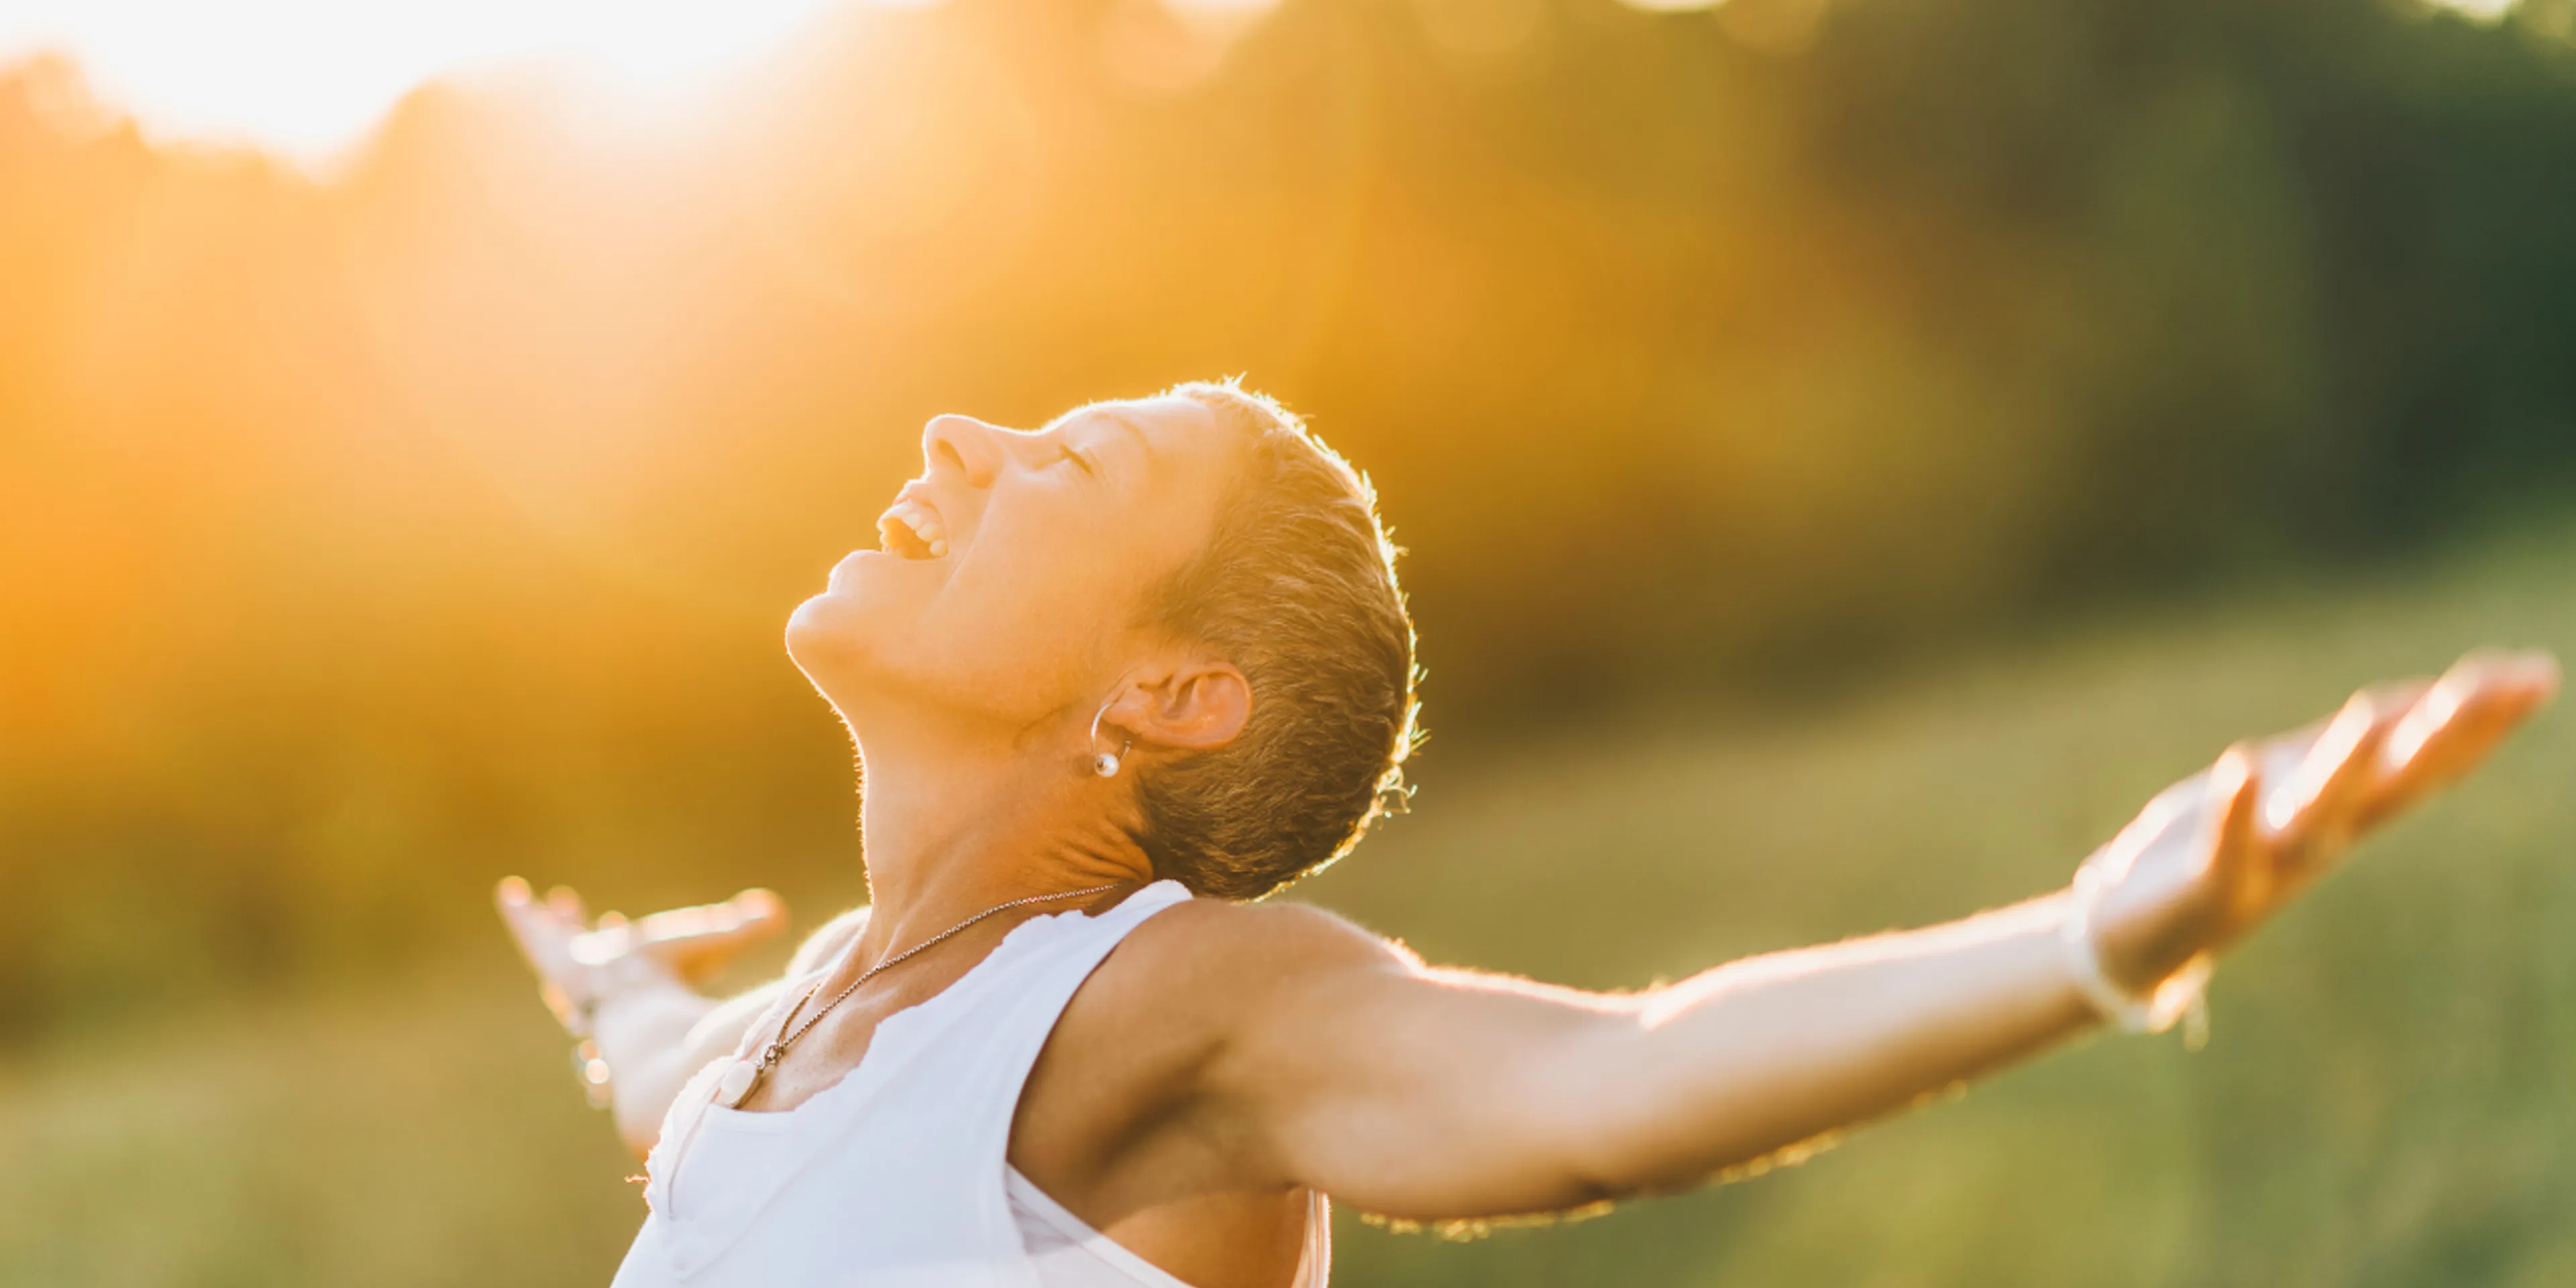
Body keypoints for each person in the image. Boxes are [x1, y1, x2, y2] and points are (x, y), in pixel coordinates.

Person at [497, 380, 2558, 1288]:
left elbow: (1607, 1085)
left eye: (1071, 459)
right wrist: (615, 993)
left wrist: (2097, 937)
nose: (960, 436)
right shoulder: (825, 1018)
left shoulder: (1167, 1006)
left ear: (1171, 696)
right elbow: (695, 1109)